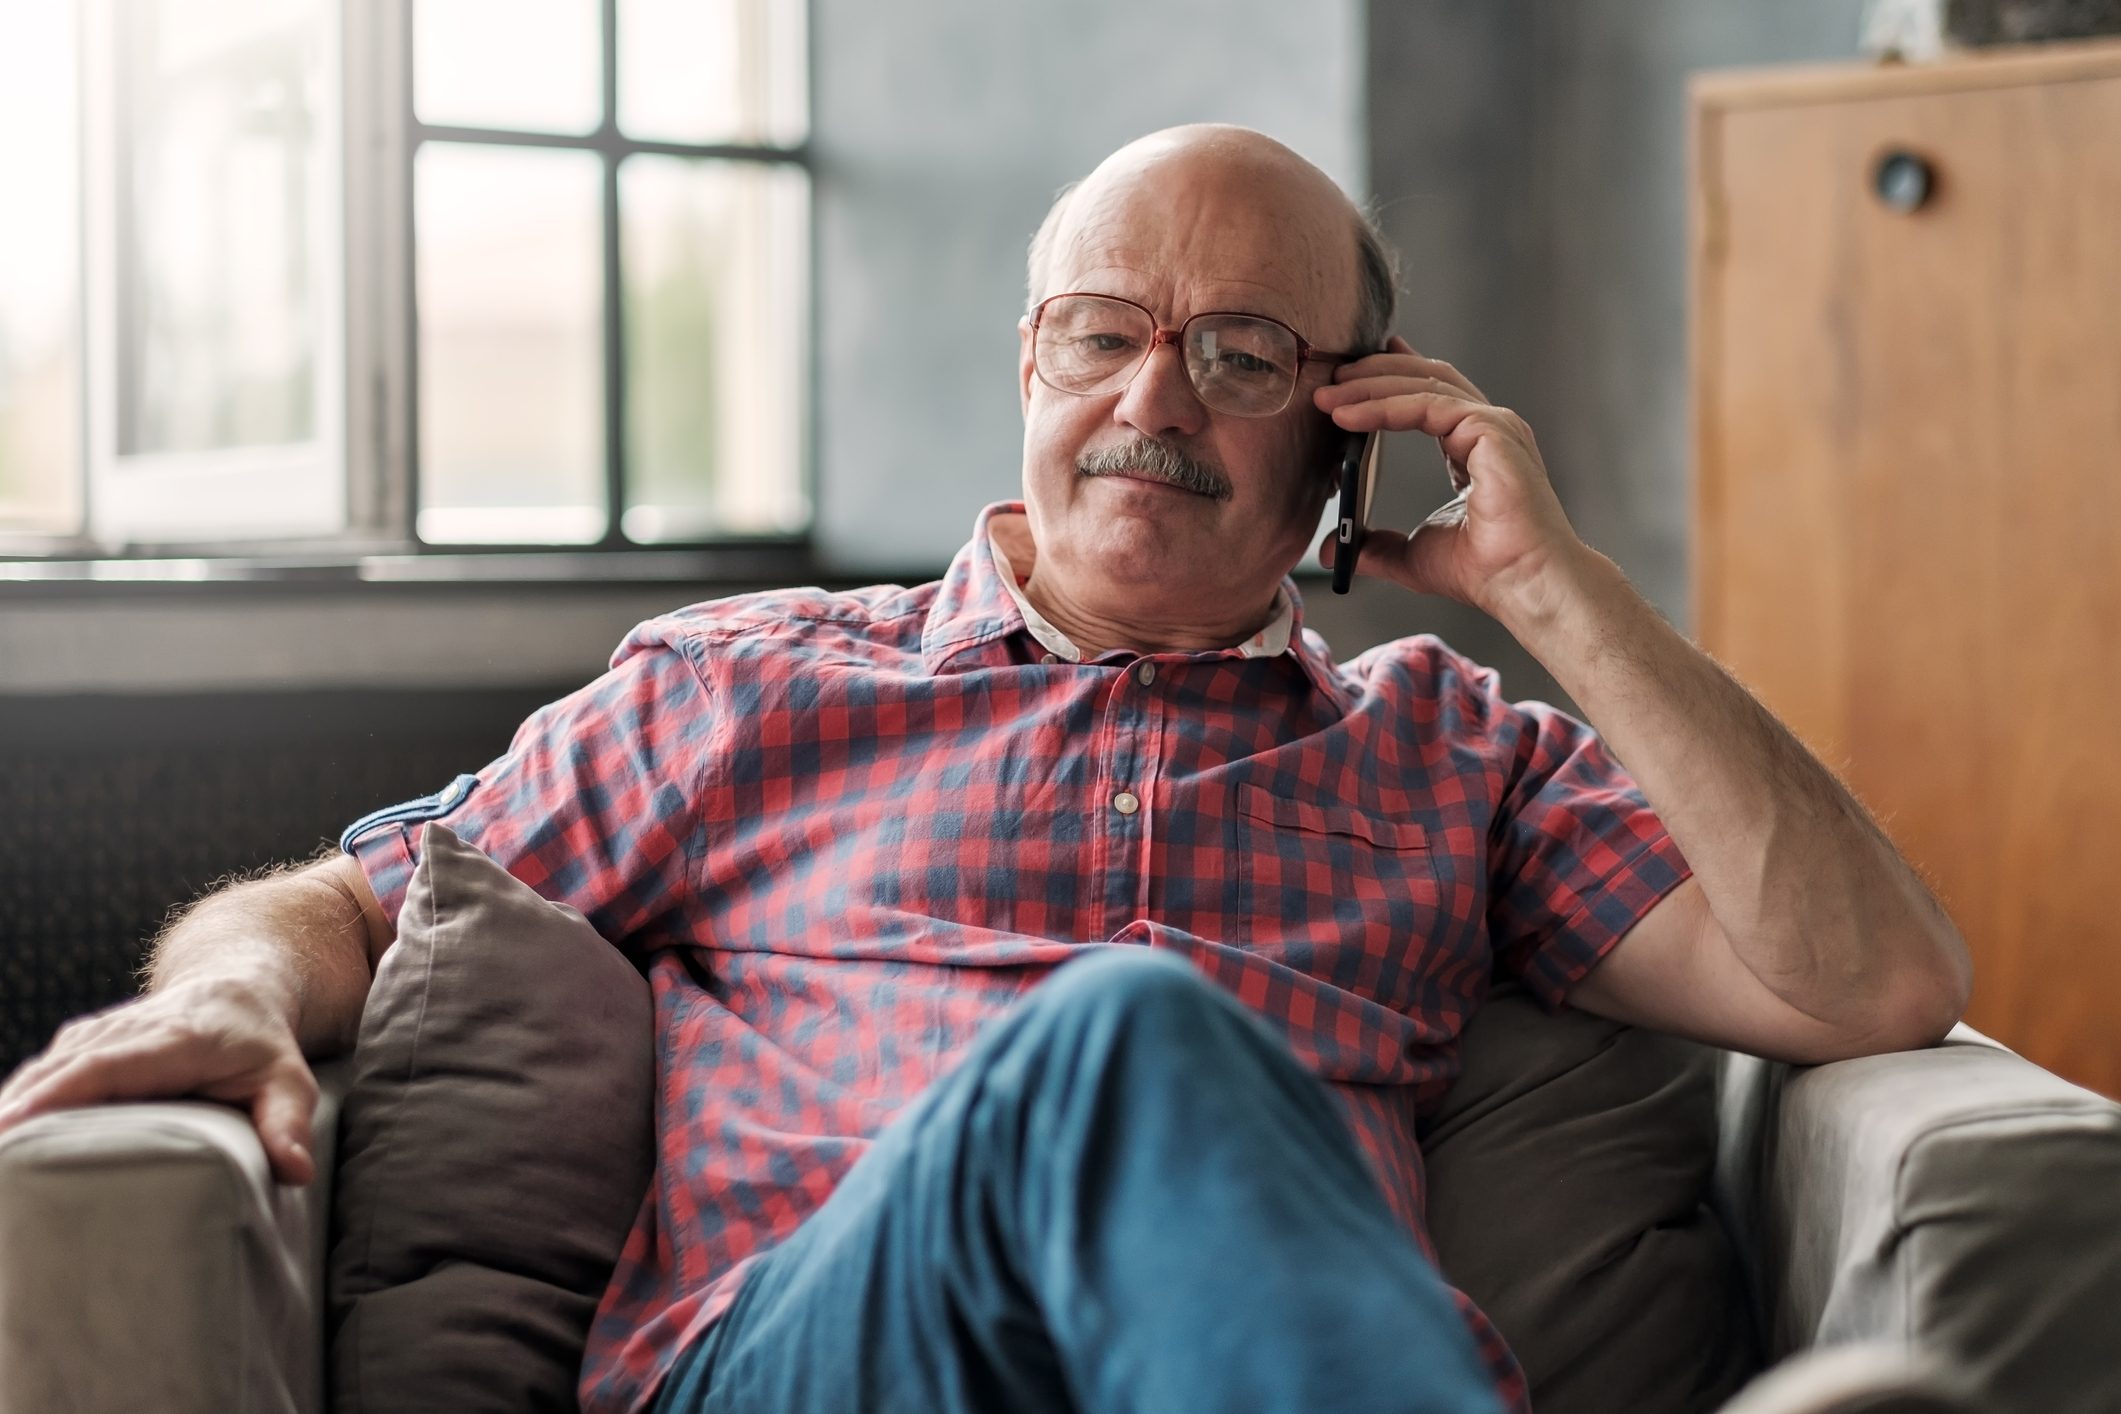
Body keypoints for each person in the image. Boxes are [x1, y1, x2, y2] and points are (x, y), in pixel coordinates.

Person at [0, 125, 1969, 1414]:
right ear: (1028, 367)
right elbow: (358, 897)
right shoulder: (748, 685)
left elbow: (1862, 978)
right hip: (816, 1365)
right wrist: (236, 992)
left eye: (1241, 353)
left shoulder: (1442, 748)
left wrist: (1550, 585)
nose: (1149, 398)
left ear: (1345, 435)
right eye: (1100, 331)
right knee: (1126, 1036)